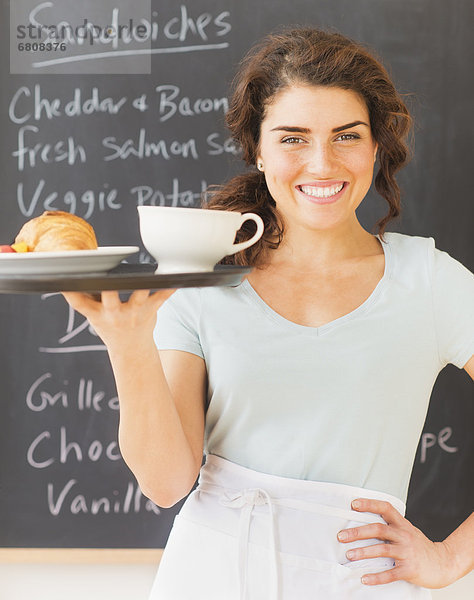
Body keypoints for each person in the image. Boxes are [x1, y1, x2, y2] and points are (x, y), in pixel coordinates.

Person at [63, 27, 474, 599]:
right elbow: (165, 484)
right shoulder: (204, 279)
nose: (322, 162)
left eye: (346, 136)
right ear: (258, 149)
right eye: (293, 138)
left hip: (362, 579)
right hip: (209, 572)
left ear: (376, 146)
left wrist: (452, 558)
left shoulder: (429, 282)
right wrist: (126, 343)